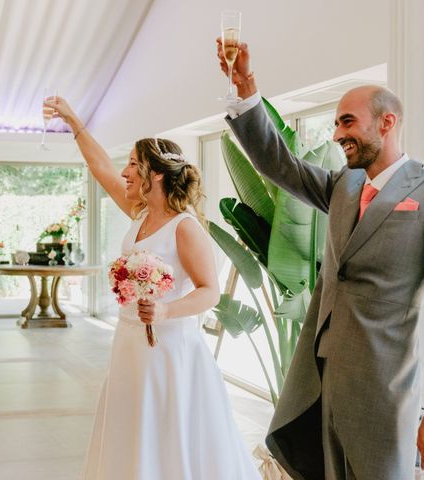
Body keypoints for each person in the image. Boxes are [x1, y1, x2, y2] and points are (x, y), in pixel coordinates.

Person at [216, 40, 424, 480]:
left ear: (387, 122)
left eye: (348, 122)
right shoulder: (342, 187)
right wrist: (245, 87)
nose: (337, 134)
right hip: (320, 385)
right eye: (336, 123)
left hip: (386, 393)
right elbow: (276, 163)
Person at [44, 97, 261, 480]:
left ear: (156, 174)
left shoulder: (185, 227)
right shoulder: (139, 214)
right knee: (130, 422)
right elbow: (99, 167)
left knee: (165, 427)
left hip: (169, 349)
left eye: (132, 164)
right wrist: (72, 121)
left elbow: (209, 290)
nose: (124, 172)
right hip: (129, 341)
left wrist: (165, 311)